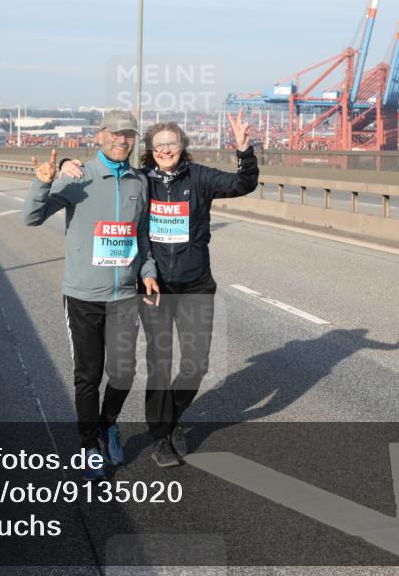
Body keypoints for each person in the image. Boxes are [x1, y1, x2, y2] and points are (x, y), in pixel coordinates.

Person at [60, 110, 257, 467]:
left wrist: (244, 150)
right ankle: (161, 438)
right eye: (159, 144)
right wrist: (64, 163)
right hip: (154, 285)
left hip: (195, 283)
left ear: (183, 146)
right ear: (149, 149)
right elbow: (110, 180)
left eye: (173, 143)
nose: (166, 149)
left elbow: (243, 185)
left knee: (196, 364)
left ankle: (173, 416)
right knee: (160, 363)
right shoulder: (141, 179)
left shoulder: (200, 177)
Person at [23, 110, 160, 480]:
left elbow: (141, 235)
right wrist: (42, 184)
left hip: (124, 295)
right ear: (100, 136)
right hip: (83, 295)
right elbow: (31, 218)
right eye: (116, 133)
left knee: (123, 372)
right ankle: (88, 446)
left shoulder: (137, 182)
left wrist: (147, 272)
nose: (123, 140)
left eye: (129, 134)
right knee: (89, 375)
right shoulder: (77, 175)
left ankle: (108, 423)